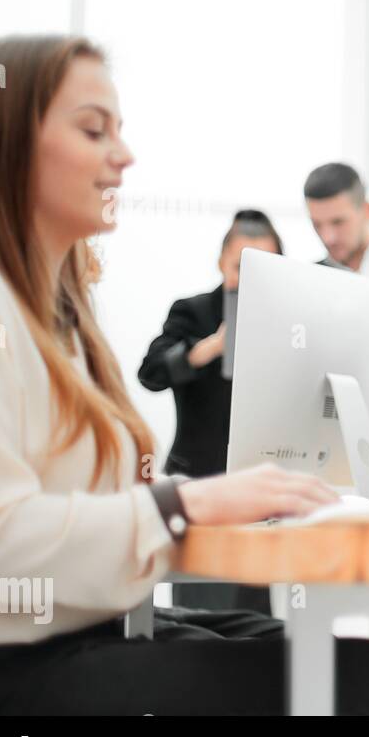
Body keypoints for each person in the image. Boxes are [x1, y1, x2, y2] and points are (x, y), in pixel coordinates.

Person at [0, 35, 369, 715]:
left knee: (353, 660)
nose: (124, 155)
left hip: (103, 622)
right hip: (17, 666)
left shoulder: (60, 317)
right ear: (6, 144)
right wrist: (187, 503)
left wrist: (215, 499)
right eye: (94, 130)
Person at [137, 209, 284, 613]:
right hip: (198, 482)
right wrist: (210, 348)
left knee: (257, 620)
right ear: (221, 262)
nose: (250, 278)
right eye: (240, 266)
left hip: (259, 491)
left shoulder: (287, 319)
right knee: (200, 613)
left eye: (264, 267)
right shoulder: (192, 311)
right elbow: (150, 373)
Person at [304, 162, 369, 445]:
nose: (328, 237)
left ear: (366, 211)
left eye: (338, 222)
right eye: (317, 225)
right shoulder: (306, 279)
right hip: (326, 443)